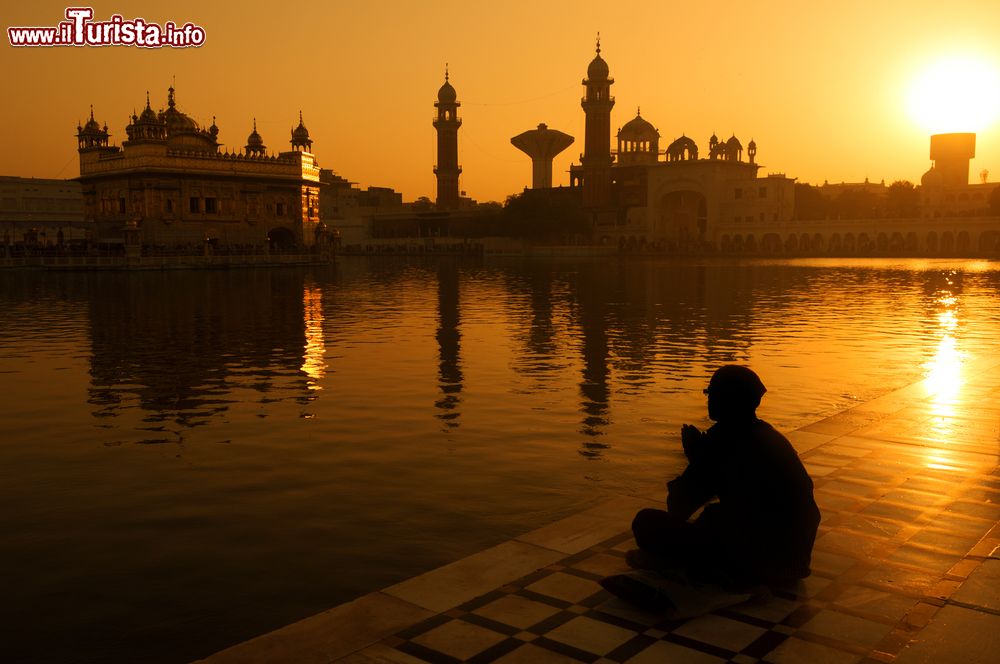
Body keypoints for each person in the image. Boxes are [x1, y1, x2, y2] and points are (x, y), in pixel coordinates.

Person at [629, 365, 821, 591]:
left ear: (731, 401)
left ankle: (706, 568)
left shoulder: (721, 440)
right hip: (794, 558)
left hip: (760, 560)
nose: (709, 401)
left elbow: (679, 508)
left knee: (646, 522)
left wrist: (696, 458)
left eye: (714, 396)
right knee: (714, 516)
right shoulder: (770, 437)